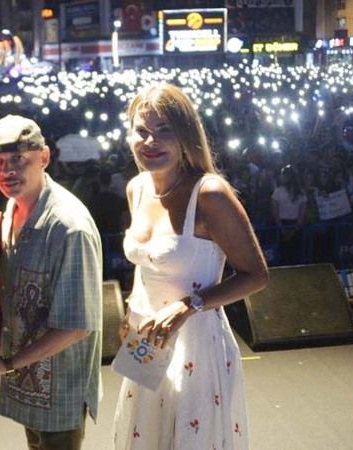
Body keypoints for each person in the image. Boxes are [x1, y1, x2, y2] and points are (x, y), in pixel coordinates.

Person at [113, 84, 268, 450]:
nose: (151, 141)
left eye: (164, 129)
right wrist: (131, 311)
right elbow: (149, 265)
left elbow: (256, 275)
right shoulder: (137, 188)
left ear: (186, 134)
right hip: (147, 343)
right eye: (141, 130)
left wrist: (189, 305)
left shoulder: (210, 194)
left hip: (197, 346)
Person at [0, 114, 103, 450]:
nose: (7, 171)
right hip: (27, 382)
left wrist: (8, 363)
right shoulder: (12, 209)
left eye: (18, 159)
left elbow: (76, 326)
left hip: (60, 388)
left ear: (44, 157)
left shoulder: (69, 228)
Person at [271, 165, 307, 265]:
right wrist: (294, 229)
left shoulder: (278, 191)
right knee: (294, 254)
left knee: (284, 255)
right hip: (293, 225)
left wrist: (282, 229)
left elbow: (275, 211)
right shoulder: (301, 192)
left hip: (283, 224)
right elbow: (301, 214)